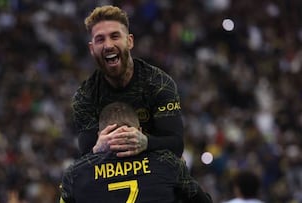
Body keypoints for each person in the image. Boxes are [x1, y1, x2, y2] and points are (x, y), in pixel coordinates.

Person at [72, 5, 184, 158]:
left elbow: (176, 145)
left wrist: (146, 142)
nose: (108, 45)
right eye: (100, 39)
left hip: (155, 171)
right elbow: (85, 156)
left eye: (115, 36)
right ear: (92, 49)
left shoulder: (159, 84)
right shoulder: (85, 96)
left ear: (130, 41)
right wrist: (97, 149)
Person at [60, 102, 213, 203]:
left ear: (100, 135)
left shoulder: (75, 174)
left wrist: (93, 155)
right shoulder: (168, 163)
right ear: (140, 131)